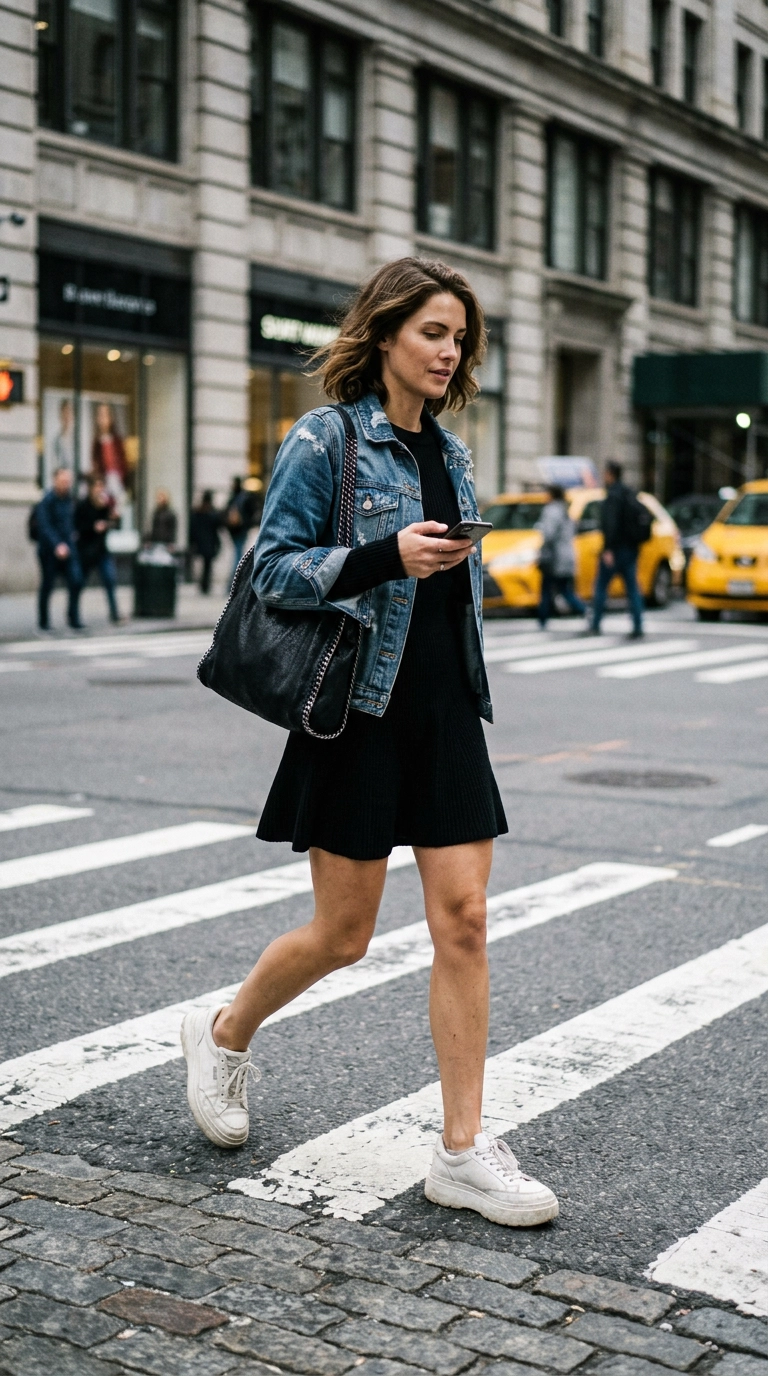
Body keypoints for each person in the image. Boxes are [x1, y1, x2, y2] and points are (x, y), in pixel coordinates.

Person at [181, 257, 559, 1229]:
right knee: (343, 935)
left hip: (441, 716)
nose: (450, 351)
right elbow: (271, 570)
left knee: (465, 920)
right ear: (386, 331)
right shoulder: (329, 437)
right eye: (434, 331)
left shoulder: (454, 452)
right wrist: (384, 555)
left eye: (461, 337)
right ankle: (223, 1032)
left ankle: (464, 1151)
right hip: (358, 714)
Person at [589, 460, 644, 639]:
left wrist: (608, 549)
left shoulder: (613, 495)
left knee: (601, 587)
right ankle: (638, 625)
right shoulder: (629, 493)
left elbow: (610, 525)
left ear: (610, 474)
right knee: (632, 589)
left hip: (616, 549)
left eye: (605, 473)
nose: (604, 476)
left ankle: (595, 624)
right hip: (630, 549)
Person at [36, 467, 84, 631]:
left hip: (69, 549)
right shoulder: (47, 501)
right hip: (50, 551)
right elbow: (45, 526)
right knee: (48, 584)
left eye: (68, 481)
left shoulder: (71, 500)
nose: (66, 484)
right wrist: (57, 545)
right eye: (63, 481)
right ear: (55, 480)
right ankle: (43, 621)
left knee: (76, 580)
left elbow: (74, 522)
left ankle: (74, 617)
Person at [536, 484, 586, 628]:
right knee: (564, 590)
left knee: (547, 589)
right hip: (567, 556)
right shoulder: (565, 510)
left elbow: (549, 535)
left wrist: (542, 550)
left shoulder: (551, 510)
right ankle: (584, 610)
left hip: (554, 557)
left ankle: (543, 619)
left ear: (552, 495)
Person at [75, 475, 120, 623]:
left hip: (101, 551)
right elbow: (77, 527)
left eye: (102, 486)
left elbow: (113, 526)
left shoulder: (104, 505)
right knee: (79, 582)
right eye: (98, 486)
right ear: (91, 488)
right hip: (86, 551)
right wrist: (93, 527)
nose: (100, 490)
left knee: (110, 580)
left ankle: (114, 614)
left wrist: (113, 519)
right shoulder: (82, 505)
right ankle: (73, 615)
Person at [224, 477, 259, 586]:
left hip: (235, 531)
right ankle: (235, 583)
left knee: (237, 555)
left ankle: (232, 583)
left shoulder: (233, 497)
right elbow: (253, 513)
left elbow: (225, 513)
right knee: (238, 556)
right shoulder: (244, 497)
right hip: (241, 530)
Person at [91, 403, 128, 507]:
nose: (103, 419)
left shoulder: (117, 441)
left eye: (105, 415)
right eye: (100, 415)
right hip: (104, 481)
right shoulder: (97, 442)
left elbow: (123, 463)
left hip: (117, 481)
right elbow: (95, 463)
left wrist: (120, 477)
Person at [189, 490, 222, 594]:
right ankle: (205, 585)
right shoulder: (211, 512)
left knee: (205, 565)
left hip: (202, 541)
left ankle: (204, 585)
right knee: (207, 566)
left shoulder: (199, 512)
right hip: (209, 541)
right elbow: (217, 526)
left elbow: (193, 527)